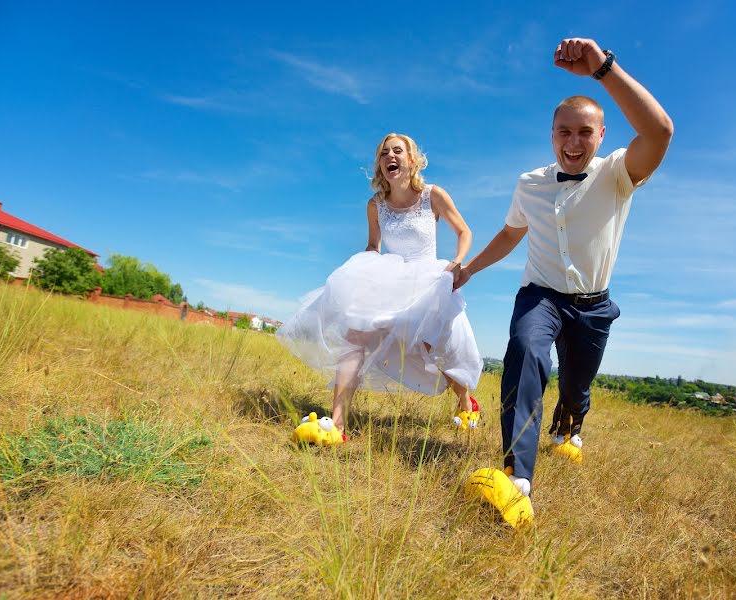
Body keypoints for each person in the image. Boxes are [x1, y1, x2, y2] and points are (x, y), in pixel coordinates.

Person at [455, 38, 673, 497]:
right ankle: (517, 477)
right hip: (541, 295)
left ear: (601, 135)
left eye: (584, 132)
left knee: (576, 387)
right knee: (525, 351)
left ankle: (569, 421)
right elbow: (510, 234)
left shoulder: (617, 174)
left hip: (594, 306)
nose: (573, 143)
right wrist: (469, 270)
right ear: (551, 134)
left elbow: (660, 133)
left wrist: (603, 68)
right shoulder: (529, 183)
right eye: (564, 132)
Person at [277, 133, 483, 439]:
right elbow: (374, 245)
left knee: (430, 347)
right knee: (356, 334)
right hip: (390, 277)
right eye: (384, 153)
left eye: (397, 151)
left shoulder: (433, 195)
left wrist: (458, 262)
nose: (390, 157)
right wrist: (363, 267)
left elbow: (464, 231)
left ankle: (466, 402)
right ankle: (337, 424)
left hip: (429, 279)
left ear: (412, 160)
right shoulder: (376, 205)